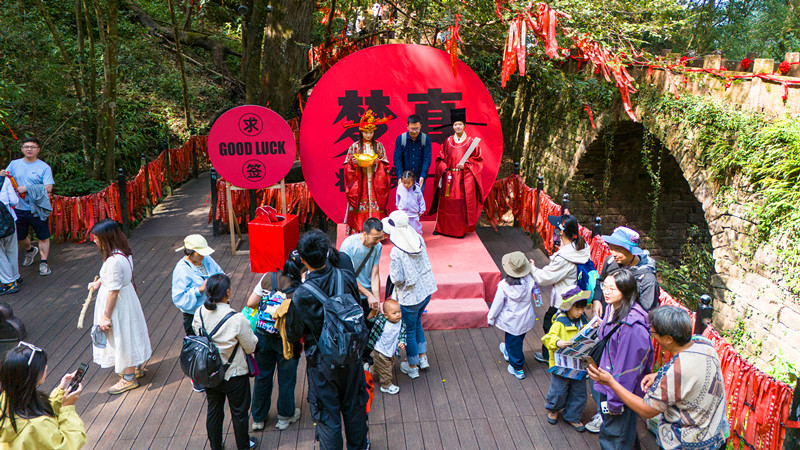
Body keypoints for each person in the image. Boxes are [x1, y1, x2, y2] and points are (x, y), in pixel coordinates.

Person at [588, 306, 729, 450]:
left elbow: (647, 410)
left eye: (653, 332)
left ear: (668, 339)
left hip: (687, 444)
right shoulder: (704, 343)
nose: (651, 335)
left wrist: (611, 382)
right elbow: (690, 369)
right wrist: (658, 375)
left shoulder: (675, 373)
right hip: (716, 435)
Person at [285, 230, 369, 449]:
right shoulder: (346, 277)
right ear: (327, 252)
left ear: (302, 259)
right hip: (351, 354)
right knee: (355, 408)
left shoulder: (302, 295)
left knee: (327, 415)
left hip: (322, 362)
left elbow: (293, 333)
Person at [87, 219, 152, 394]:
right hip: (127, 299)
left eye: (96, 237)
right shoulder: (122, 252)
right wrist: (99, 282)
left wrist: (105, 316)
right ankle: (133, 367)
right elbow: (115, 277)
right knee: (129, 333)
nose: (94, 240)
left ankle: (128, 378)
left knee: (122, 337)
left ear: (106, 238)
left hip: (118, 305)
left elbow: (113, 290)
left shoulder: (113, 261)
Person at [194, 274, 258, 450]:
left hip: (210, 372)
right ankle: (243, 446)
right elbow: (250, 346)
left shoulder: (199, 313)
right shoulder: (236, 319)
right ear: (227, 292)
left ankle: (216, 445)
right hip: (234, 373)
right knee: (239, 413)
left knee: (214, 410)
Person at [592, 268, 654, 450]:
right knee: (622, 432)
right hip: (608, 382)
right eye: (605, 286)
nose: (606, 292)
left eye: (613, 288)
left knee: (614, 436)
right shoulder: (614, 308)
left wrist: (615, 401)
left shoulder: (631, 327)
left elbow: (628, 371)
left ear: (626, 291)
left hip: (618, 391)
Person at [245, 252, 303, 432]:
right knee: (287, 378)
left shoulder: (268, 277)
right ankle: (285, 417)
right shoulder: (300, 287)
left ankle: (258, 418)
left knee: (262, 376)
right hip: (288, 339)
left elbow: (251, 303)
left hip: (264, 335)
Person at [0, 342, 86, 449]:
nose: (46, 367)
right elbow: (68, 445)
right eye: (42, 366)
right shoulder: (37, 425)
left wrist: (61, 390)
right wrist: (67, 408)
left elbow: (37, 409)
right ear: (32, 376)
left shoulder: (7, 397)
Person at [383, 210, 437, 379]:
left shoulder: (397, 251)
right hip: (426, 291)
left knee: (409, 331)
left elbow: (397, 278)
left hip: (410, 298)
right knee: (417, 323)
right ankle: (422, 357)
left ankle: (412, 366)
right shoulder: (418, 239)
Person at [530, 215, 591, 364]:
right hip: (577, 295)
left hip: (563, 300)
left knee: (550, 325)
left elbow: (544, 277)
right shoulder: (580, 248)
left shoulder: (564, 258)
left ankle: (553, 356)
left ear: (562, 232)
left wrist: (531, 267)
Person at [0, 138, 54, 276]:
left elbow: (48, 187)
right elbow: (6, 178)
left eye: (32, 147)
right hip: (18, 207)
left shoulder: (44, 167)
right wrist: (2, 174)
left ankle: (44, 262)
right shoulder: (14, 164)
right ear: (22, 149)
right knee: (19, 236)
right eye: (26, 146)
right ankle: (30, 250)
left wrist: (28, 189)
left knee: (43, 236)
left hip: (38, 207)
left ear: (38, 149)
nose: (29, 149)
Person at [541, 287, 592, 431]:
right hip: (561, 364)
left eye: (583, 308)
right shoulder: (559, 322)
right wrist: (558, 342)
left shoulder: (584, 320)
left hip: (578, 363)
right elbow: (548, 338)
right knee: (558, 390)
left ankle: (573, 416)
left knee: (579, 392)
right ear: (569, 307)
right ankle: (554, 408)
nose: (581, 311)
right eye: (577, 308)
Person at [431, 108, 484, 238]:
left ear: (464, 125)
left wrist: (465, 165)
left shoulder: (471, 142)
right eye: (455, 124)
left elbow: (477, 160)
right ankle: (441, 228)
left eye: (460, 124)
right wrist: (444, 167)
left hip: (462, 178)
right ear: (452, 126)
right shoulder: (447, 141)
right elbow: (440, 158)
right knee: (445, 203)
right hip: (448, 176)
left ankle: (458, 230)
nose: (457, 127)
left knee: (459, 204)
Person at [488, 251, 536, 380]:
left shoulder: (504, 285)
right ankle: (509, 352)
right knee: (518, 339)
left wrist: (491, 318)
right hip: (525, 318)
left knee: (513, 342)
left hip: (511, 321)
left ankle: (517, 367)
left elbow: (497, 303)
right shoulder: (530, 280)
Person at [591, 226, 660, 317]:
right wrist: (596, 300)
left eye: (618, 250)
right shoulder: (611, 261)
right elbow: (601, 281)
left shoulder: (647, 279)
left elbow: (646, 311)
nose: (613, 254)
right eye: (611, 248)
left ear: (632, 251)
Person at [342, 109, 392, 233]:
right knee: (359, 204)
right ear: (361, 132)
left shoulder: (379, 146)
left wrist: (378, 163)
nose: (368, 135)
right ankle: (358, 230)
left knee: (375, 204)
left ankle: (376, 232)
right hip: (360, 181)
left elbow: (385, 163)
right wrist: (353, 163)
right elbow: (347, 164)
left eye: (370, 132)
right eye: (365, 132)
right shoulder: (355, 146)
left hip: (375, 181)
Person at [172, 234, 224, 336]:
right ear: (189, 252)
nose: (203, 256)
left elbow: (220, 272)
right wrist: (200, 289)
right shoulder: (181, 269)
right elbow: (179, 298)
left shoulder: (206, 259)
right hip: (196, 317)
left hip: (215, 309)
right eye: (200, 253)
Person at [339, 217, 383, 313]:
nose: (378, 241)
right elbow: (348, 276)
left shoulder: (378, 246)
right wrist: (369, 295)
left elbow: (375, 275)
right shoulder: (348, 245)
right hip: (352, 291)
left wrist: (377, 299)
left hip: (368, 293)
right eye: (375, 238)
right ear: (364, 234)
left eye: (381, 237)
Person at [366, 299, 406, 395]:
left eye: (399, 312)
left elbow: (403, 333)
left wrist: (402, 341)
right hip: (380, 350)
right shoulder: (382, 321)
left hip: (391, 350)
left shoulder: (400, 322)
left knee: (388, 365)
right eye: (394, 313)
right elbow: (370, 319)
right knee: (386, 369)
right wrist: (374, 310)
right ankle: (386, 385)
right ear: (386, 315)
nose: (398, 315)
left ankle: (370, 371)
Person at [393, 115, 432, 189]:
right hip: (405, 179)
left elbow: (427, 159)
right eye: (412, 129)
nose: (414, 131)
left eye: (417, 129)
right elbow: (397, 159)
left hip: (419, 177)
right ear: (407, 126)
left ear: (420, 126)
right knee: (404, 200)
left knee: (418, 200)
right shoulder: (401, 139)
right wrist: (399, 176)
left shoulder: (425, 139)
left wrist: (423, 176)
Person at [0, 177, 21, 294]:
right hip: (9, 221)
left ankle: (9, 282)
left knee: (0, 255)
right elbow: (14, 201)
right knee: (12, 250)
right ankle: (15, 277)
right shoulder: (5, 180)